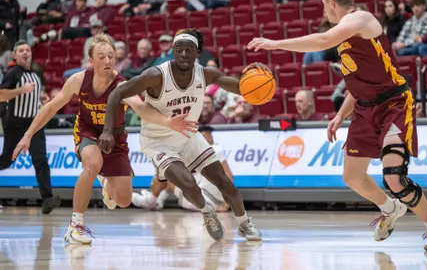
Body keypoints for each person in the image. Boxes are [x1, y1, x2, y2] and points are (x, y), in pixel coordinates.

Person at [248, 0, 427, 251]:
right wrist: (340, 115)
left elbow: (322, 40)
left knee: (394, 177)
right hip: (365, 108)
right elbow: (358, 84)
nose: (323, 10)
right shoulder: (345, 40)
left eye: (323, 4)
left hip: (393, 103)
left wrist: (275, 44)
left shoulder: (361, 19)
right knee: (352, 177)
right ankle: (390, 208)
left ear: (331, 2)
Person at [12, 34, 197, 245]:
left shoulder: (122, 85)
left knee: (124, 200)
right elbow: (51, 107)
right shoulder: (79, 80)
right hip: (87, 130)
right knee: (92, 163)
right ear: (91, 61)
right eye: (101, 57)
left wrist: (168, 121)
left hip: (116, 137)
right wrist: (27, 135)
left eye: (111, 56)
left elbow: (142, 109)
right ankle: (75, 226)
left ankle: (105, 183)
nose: (107, 60)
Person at [99, 29, 262, 242]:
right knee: (188, 183)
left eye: (189, 50)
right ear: (174, 52)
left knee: (224, 183)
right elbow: (117, 93)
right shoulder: (156, 75)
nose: (184, 54)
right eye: (179, 50)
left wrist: (255, 79)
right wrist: (107, 130)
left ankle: (244, 223)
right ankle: (207, 211)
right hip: (157, 140)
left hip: (187, 135)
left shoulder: (204, 74)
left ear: (197, 53)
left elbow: (241, 87)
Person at [0, 40, 60, 214]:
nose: (25, 53)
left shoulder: (35, 75)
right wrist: (21, 91)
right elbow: (1, 94)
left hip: (34, 124)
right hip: (15, 124)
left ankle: (47, 199)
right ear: (15, 55)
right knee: (6, 161)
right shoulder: (13, 74)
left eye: (27, 50)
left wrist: (41, 99)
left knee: (41, 160)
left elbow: (34, 94)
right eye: (21, 50)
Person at [132, 125, 233, 212]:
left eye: (209, 135)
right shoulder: (209, 151)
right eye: (206, 135)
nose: (210, 137)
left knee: (166, 174)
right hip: (213, 201)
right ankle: (158, 200)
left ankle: (152, 201)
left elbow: (228, 177)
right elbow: (228, 177)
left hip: (204, 201)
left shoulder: (211, 149)